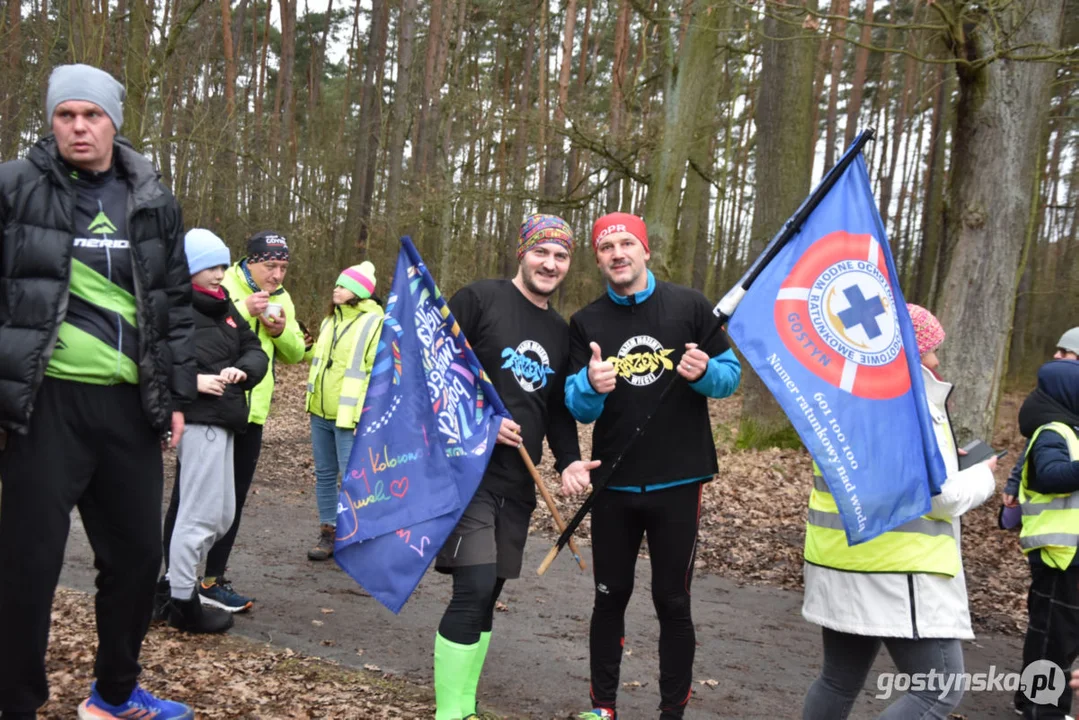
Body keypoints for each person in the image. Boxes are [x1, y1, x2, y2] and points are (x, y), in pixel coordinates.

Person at [0, 64, 195, 719]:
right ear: (51, 121)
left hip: (127, 408)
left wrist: (174, 397)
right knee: (28, 567)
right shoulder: (14, 187)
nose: (79, 127)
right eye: (65, 115)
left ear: (114, 120)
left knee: (139, 558)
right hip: (44, 404)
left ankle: (112, 696)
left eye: (92, 115)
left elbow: (171, 304)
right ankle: (16, 703)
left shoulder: (151, 197)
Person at [563, 213, 741, 720]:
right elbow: (578, 407)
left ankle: (672, 713)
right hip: (614, 485)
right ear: (597, 259)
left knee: (672, 600)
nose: (617, 253)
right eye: (606, 247)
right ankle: (603, 708)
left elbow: (730, 376)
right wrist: (589, 386)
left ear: (645, 251)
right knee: (609, 596)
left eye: (626, 243)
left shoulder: (689, 307)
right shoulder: (587, 322)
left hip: (679, 480)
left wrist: (705, 371)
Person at [432, 214, 599, 720]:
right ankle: (449, 714)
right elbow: (433, 374)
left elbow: (554, 410)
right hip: (465, 472)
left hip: (517, 480)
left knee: (491, 594)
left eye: (561, 256)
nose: (550, 264)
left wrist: (569, 461)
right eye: (541, 252)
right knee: (475, 586)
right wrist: (481, 424)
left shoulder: (557, 329)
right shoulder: (478, 300)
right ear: (521, 253)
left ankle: (465, 706)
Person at [800, 304, 997, 720]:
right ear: (904, 351)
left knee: (837, 681)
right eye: (928, 351)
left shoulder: (842, 396)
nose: (936, 361)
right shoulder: (903, 404)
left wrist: (942, 461)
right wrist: (984, 476)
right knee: (939, 690)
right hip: (898, 569)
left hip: (839, 561)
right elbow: (941, 499)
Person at [161, 230, 305, 613]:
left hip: (246, 412)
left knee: (228, 504)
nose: (277, 275)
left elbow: (292, 351)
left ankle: (210, 579)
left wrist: (277, 330)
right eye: (270, 266)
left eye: (284, 268)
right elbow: (164, 351)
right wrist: (246, 310)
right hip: (203, 413)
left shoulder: (271, 298)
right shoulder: (222, 292)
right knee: (191, 502)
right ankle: (175, 583)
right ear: (252, 262)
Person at [159, 229, 268, 634]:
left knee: (221, 515)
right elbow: (153, 359)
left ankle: (172, 588)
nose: (220, 274)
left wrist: (244, 371)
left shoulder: (225, 307)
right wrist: (195, 381)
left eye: (223, 265)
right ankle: (181, 600)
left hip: (227, 418)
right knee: (198, 514)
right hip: (197, 420)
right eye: (210, 266)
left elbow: (254, 349)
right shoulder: (171, 308)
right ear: (189, 268)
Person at [1010, 357, 1079, 720]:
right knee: (1055, 638)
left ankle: (1031, 702)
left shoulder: (1071, 431)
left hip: (1069, 554)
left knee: (1052, 634)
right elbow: (1051, 476)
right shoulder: (1052, 432)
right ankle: (1045, 710)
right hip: (1058, 554)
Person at [304, 261, 384, 561]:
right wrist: (307, 346)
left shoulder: (375, 323)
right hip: (320, 412)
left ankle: (358, 536)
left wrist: (361, 415)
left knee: (354, 479)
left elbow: (374, 372)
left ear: (358, 291)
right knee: (325, 474)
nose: (335, 289)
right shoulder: (330, 321)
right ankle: (329, 532)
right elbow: (323, 360)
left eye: (342, 285)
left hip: (349, 417)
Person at [1002, 327, 1079, 512]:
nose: (1056, 355)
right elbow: (1041, 436)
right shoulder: (1059, 393)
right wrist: (1016, 479)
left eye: (1064, 351)